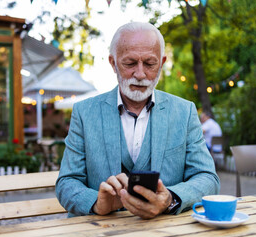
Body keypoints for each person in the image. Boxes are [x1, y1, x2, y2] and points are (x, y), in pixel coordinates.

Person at [56, 22, 220, 219]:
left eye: (150, 64)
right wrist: (96, 203)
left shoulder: (184, 112)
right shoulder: (84, 112)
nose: (140, 74)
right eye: (130, 63)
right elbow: (67, 182)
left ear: (162, 62)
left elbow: (208, 178)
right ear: (113, 63)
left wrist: (170, 199)